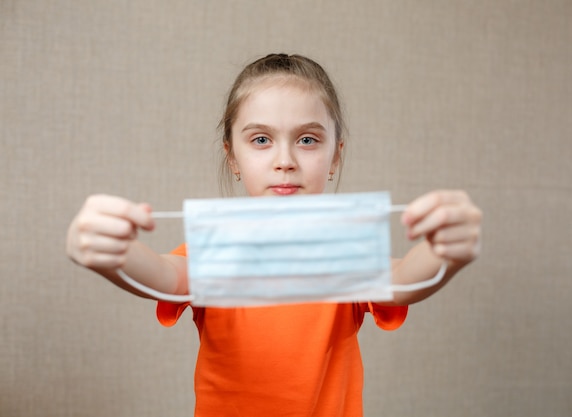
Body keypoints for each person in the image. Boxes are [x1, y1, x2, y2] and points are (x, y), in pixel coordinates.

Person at [66, 53, 482, 417]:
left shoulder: (342, 254)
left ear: (336, 154)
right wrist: (112, 253)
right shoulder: (218, 251)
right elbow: (163, 275)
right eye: (261, 140)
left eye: (307, 140)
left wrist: (446, 251)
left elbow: (404, 280)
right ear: (233, 155)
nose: (285, 161)